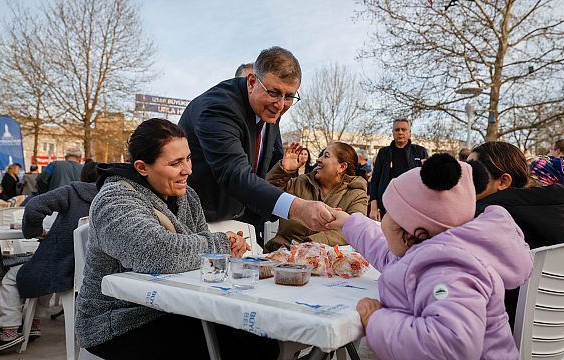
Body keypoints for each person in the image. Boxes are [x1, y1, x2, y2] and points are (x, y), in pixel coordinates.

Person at [75, 118, 277, 359]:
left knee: (262, 339)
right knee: (234, 349)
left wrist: (225, 248)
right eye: (175, 163)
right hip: (120, 321)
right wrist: (220, 244)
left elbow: (200, 246)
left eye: (188, 158)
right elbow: (157, 253)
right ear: (142, 167)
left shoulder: (187, 195)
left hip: (178, 306)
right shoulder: (115, 200)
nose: (188, 170)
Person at [327, 154, 532, 359]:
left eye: (388, 212)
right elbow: (389, 255)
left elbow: (449, 346)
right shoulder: (426, 253)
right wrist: (349, 224)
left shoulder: (448, 272)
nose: (383, 219)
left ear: (408, 231)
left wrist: (376, 320)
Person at [178, 46, 334, 235]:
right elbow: (235, 174)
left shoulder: (269, 108)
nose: (280, 105)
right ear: (252, 82)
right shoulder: (218, 108)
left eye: (290, 96)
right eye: (274, 92)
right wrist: (297, 208)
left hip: (240, 220)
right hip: (198, 222)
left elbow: (268, 166)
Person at [0, 161, 100, 356]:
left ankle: (10, 330)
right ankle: (33, 322)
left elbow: (34, 206)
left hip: (59, 266)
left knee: (13, 277)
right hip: (84, 273)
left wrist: (34, 232)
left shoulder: (73, 192)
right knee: (45, 273)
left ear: (83, 176)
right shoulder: (111, 198)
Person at [470, 141, 564, 327]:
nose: (463, 178)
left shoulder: (482, 221)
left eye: (473, 172)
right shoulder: (560, 212)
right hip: (557, 331)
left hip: (499, 334)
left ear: (504, 181)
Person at [264, 142, 367, 251]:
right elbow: (266, 197)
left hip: (324, 261)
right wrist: (283, 171)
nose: (318, 159)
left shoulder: (356, 194)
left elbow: (352, 229)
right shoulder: (300, 181)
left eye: (326, 156)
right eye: (321, 155)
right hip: (280, 255)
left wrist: (309, 244)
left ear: (342, 167)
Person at [369, 118, 428, 220]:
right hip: (387, 206)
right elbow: (375, 180)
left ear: (409, 132)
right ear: (393, 132)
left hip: (413, 207)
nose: (400, 132)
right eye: (397, 130)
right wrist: (373, 207)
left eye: (404, 129)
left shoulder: (420, 152)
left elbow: (427, 180)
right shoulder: (384, 153)